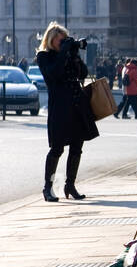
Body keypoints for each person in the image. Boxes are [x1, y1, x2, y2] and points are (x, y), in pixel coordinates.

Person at [35, 22, 98, 202]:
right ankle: (48, 187)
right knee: (57, 149)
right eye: (60, 40)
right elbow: (53, 74)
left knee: (77, 147)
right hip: (60, 108)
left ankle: (70, 185)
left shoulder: (69, 55)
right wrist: (63, 53)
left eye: (65, 40)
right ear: (51, 40)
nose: (63, 43)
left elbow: (83, 74)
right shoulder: (44, 56)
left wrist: (75, 54)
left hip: (77, 105)